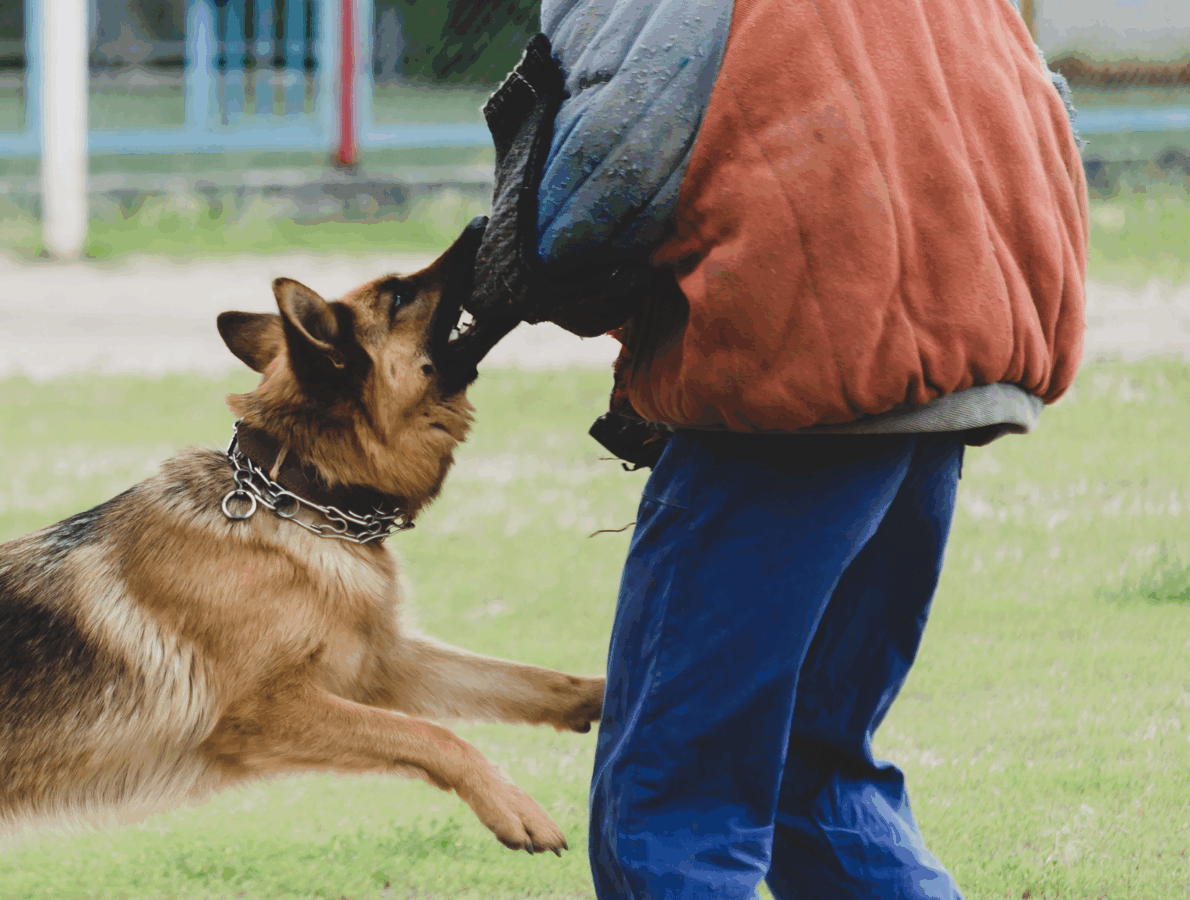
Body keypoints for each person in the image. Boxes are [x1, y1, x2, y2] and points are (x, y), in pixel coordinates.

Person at [465, 0, 1087, 897]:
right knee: (814, 771)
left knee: (671, 801)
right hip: (960, 363)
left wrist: (534, 285)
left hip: (797, 386)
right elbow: (1045, 113)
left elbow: (587, 202)